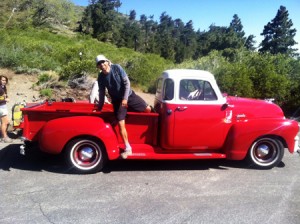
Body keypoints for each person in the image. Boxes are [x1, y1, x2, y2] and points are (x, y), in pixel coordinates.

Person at [95, 54, 151, 159]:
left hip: (129, 95)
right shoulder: (101, 77)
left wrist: (125, 98)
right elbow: (101, 92)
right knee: (121, 123)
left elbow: (127, 83)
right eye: (99, 64)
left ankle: (128, 110)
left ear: (107, 62)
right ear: (98, 66)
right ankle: (128, 148)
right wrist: (100, 106)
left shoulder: (117, 68)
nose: (102, 65)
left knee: (148, 109)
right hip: (117, 101)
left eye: (103, 62)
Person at [0, 75, 13, 143]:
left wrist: (6, 97)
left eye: (5, 80)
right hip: (1, 106)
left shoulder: (3, 87)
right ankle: (4, 137)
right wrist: (5, 99)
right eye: (2, 80)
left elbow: (5, 95)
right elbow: (2, 98)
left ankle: (2, 136)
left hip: (3, 106)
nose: (4, 82)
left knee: (3, 122)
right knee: (5, 122)